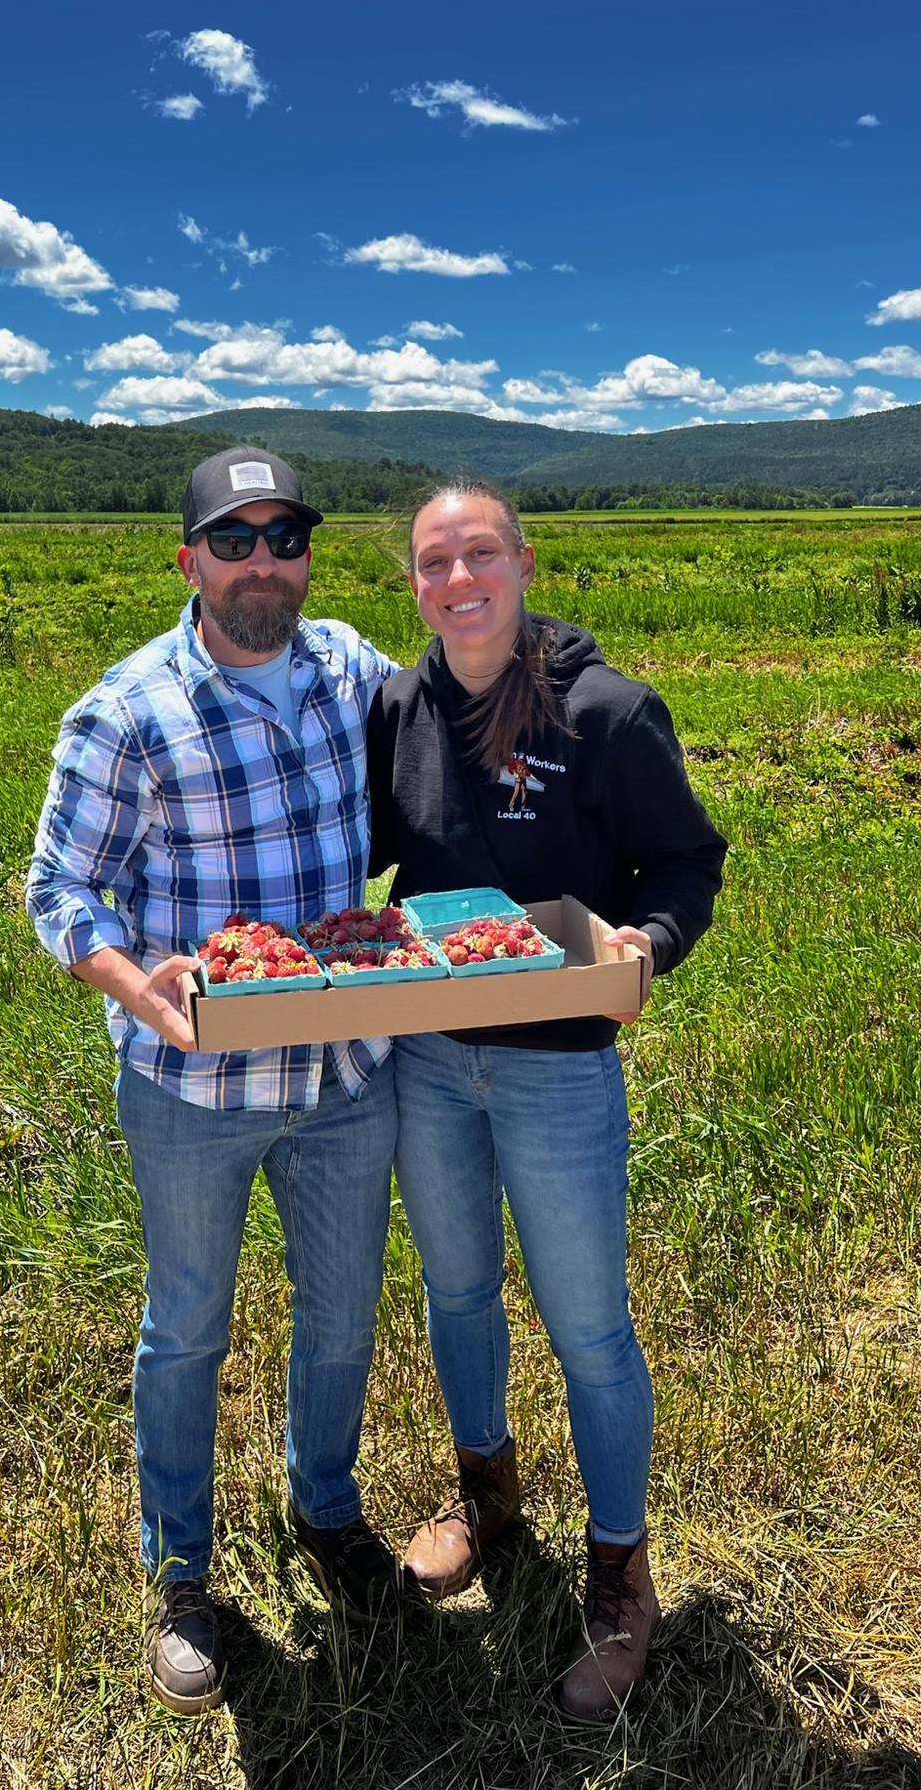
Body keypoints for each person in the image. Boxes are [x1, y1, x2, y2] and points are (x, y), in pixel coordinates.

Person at [27, 448, 404, 1715]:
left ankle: (327, 1511)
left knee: (343, 1313)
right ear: (186, 556)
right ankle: (183, 1573)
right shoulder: (125, 711)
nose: (261, 564)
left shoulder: (350, 667)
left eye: (282, 536)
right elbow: (59, 893)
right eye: (231, 541)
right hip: (193, 1092)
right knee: (186, 1326)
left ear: (308, 552)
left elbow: (463, 717)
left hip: (348, 1069)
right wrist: (147, 993)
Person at [366, 479, 727, 1722]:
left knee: (588, 1325)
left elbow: (687, 859)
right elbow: (374, 863)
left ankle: (621, 1572)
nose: (457, 578)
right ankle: (487, 1496)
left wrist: (652, 938)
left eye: (479, 553)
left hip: (559, 1059)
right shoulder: (400, 706)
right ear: (412, 583)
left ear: (522, 562)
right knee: (456, 1285)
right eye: (432, 561)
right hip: (428, 1052)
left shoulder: (607, 714)